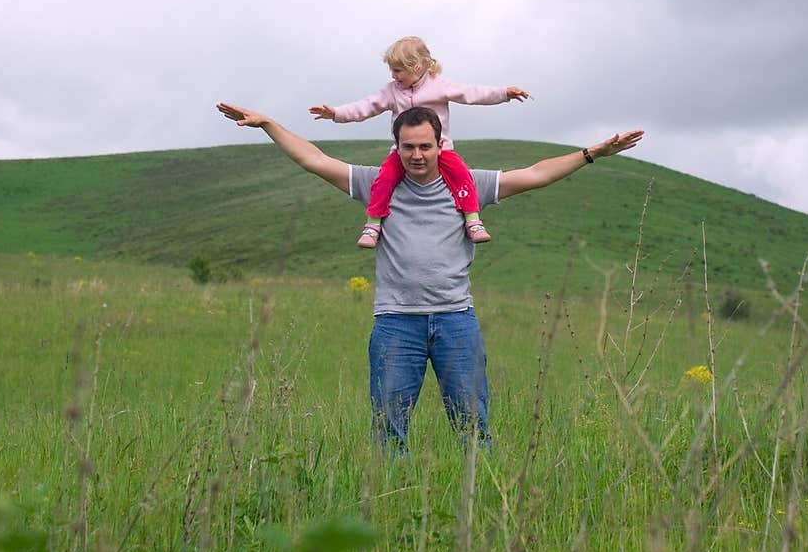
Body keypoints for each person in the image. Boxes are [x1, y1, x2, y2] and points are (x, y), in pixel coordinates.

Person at [216, 97, 644, 455]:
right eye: (408, 147)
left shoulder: (468, 185)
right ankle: (390, 509)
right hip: (395, 323)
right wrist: (270, 124)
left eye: (425, 146)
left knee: (473, 430)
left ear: (441, 144)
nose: (417, 155)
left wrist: (591, 154)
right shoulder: (375, 183)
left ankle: (479, 509)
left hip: (456, 320)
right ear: (396, 147)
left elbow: (534, 174)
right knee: (388, 430)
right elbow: (315, 160)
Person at [309, 35, 530, 248]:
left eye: (398, 70)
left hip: (441, 150)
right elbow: (366, 106)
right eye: (392, 70)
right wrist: (336, 113)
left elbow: (472, 93)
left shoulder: (439, 86)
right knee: (383, 178)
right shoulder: (391, 91)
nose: (394, 76)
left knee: (462, 175)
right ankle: (373, 224)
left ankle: (472, 219)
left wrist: (503, 93)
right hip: (402, 152)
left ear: (416, 67)